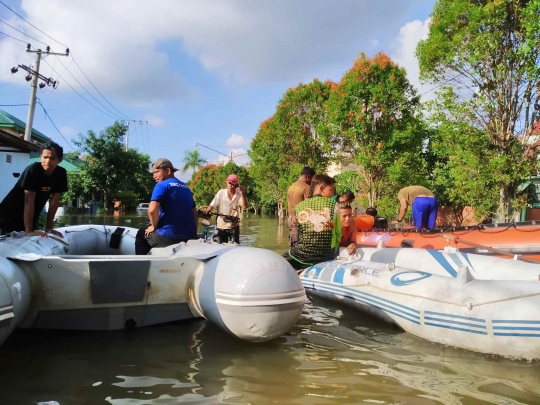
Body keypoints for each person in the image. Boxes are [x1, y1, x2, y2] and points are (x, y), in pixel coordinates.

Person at [0, 142, 67, 237]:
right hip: (7, 218)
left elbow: (54, 202)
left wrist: (48, 228)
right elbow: (28, 200)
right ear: (40, 157)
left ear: (59, 160)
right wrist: (29, 231)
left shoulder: (60, 173)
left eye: (52, 158)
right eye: (45, 157)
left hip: (29, 218)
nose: (47, 161)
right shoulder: (33, 170)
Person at [135, 158, 198, 255]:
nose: (154, 176)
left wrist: (153, 226)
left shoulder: (161, 185)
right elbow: (195, 214)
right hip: (190, 237)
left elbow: (152, 210)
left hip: (169, 237)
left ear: (168, 171)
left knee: (141, 234)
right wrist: (193, 234)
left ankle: (141, 266)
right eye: (153, 173)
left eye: (157, 172)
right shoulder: (186, 187)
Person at [283, 174, 338, 271]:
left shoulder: (300, 206)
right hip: (326, 255)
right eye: (331, 189)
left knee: (280, 262)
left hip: (301, 256)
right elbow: (338, 234)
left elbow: (295, 235)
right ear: (321, 188)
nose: (333, 194)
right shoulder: (335, 205)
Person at [204, 174, 247, 244]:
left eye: (232, 183)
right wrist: (208, 210)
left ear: (236, 185)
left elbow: (244, 206)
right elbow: (213, 204)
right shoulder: (221, 193)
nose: (230, 185)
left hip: (234, 226)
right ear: (226, 183)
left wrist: (242, 194)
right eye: (229, 183)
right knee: (220, 246)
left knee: (235, 247)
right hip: (221, 226)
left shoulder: (238, 195)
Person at [287, 166, 315, 245]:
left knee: (292, 242)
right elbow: (307, 207)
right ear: (308, 177)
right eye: (312, 179)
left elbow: (288, 202)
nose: (312, 182)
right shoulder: (307, 187)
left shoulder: (291, 186)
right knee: (300, 243)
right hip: (300, 219)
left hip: (290, 218)